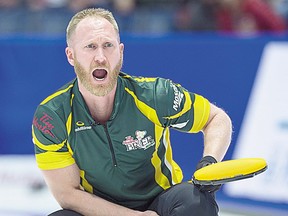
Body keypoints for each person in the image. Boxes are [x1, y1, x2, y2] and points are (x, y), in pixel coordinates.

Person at [31, 7, 232, 216]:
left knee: (195, 201)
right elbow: (67, 195)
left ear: (120, 51)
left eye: (108, 45)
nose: (100, 57)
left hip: (160, 201)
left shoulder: (155, 95)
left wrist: (210, 162)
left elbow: (216, 118)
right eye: (90, 46)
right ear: (71, 56)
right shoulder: (52, 116)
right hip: (101, 210)